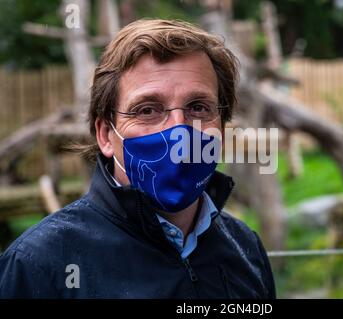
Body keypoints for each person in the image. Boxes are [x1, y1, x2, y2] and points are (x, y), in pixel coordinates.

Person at [0, 19, 276, 298]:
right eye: (147, 110)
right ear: (106, 134)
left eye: (198, 107)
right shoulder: (39, 265)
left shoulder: (245, 249)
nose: (177, 130)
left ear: (223, 127)